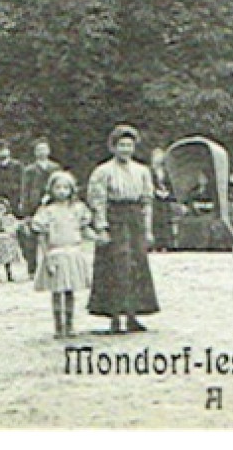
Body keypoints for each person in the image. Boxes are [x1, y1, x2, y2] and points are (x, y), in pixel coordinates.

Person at [86, 124, 160, 334]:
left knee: (136, 264)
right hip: (115, 217)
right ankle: (115, 316)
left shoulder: (142, 171)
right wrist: (101, 227)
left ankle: (132, 315)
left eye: (129, 145)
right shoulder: (103, 171)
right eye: (121, 145)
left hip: (135, 218)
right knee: (117, 265)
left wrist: (147, 229)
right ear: (113, 147)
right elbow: (98, 201)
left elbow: (147, 201)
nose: (125, 149)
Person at [31, 170, 95, 339]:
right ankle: (58, 326)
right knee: (57, 291)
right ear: (51, 189)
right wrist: (47, 257)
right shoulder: (47, 211)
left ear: (72, 189)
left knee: (69, 290)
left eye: (66, 188)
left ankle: (69, 324)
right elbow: (42, 236)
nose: (62, 191)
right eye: (58, 187)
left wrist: (97, 237)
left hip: (72, 252)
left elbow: (84, 229)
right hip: (56, 253)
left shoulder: (77, 209)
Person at [16, 138, 61, 276]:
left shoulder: (55, 168)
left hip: (52, 203)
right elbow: (25, 189)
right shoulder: (29, 170)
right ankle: (32, 269)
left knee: (53, 237)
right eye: (39, 149)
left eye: (44, 149)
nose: (42, 152)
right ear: (35, 153)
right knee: (31, 239)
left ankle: (53, 266)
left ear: (49, 151)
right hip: (34, 205)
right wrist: (25, 209)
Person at [150, 146, 180, 252]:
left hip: (166, 199)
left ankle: (167, 244)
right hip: (154, 200)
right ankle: (156, 244)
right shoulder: (149, 171)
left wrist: (168, 193)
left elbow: (170, 185)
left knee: (166, 221)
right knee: (156, 221)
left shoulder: (166, 171)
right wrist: (155, 191)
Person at [0, 143, 24, 209]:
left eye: (4, 149)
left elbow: (22, 183)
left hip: (14, 197)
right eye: (1, 150)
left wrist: (21, 200)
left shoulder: (17, 166)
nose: (3, 152)